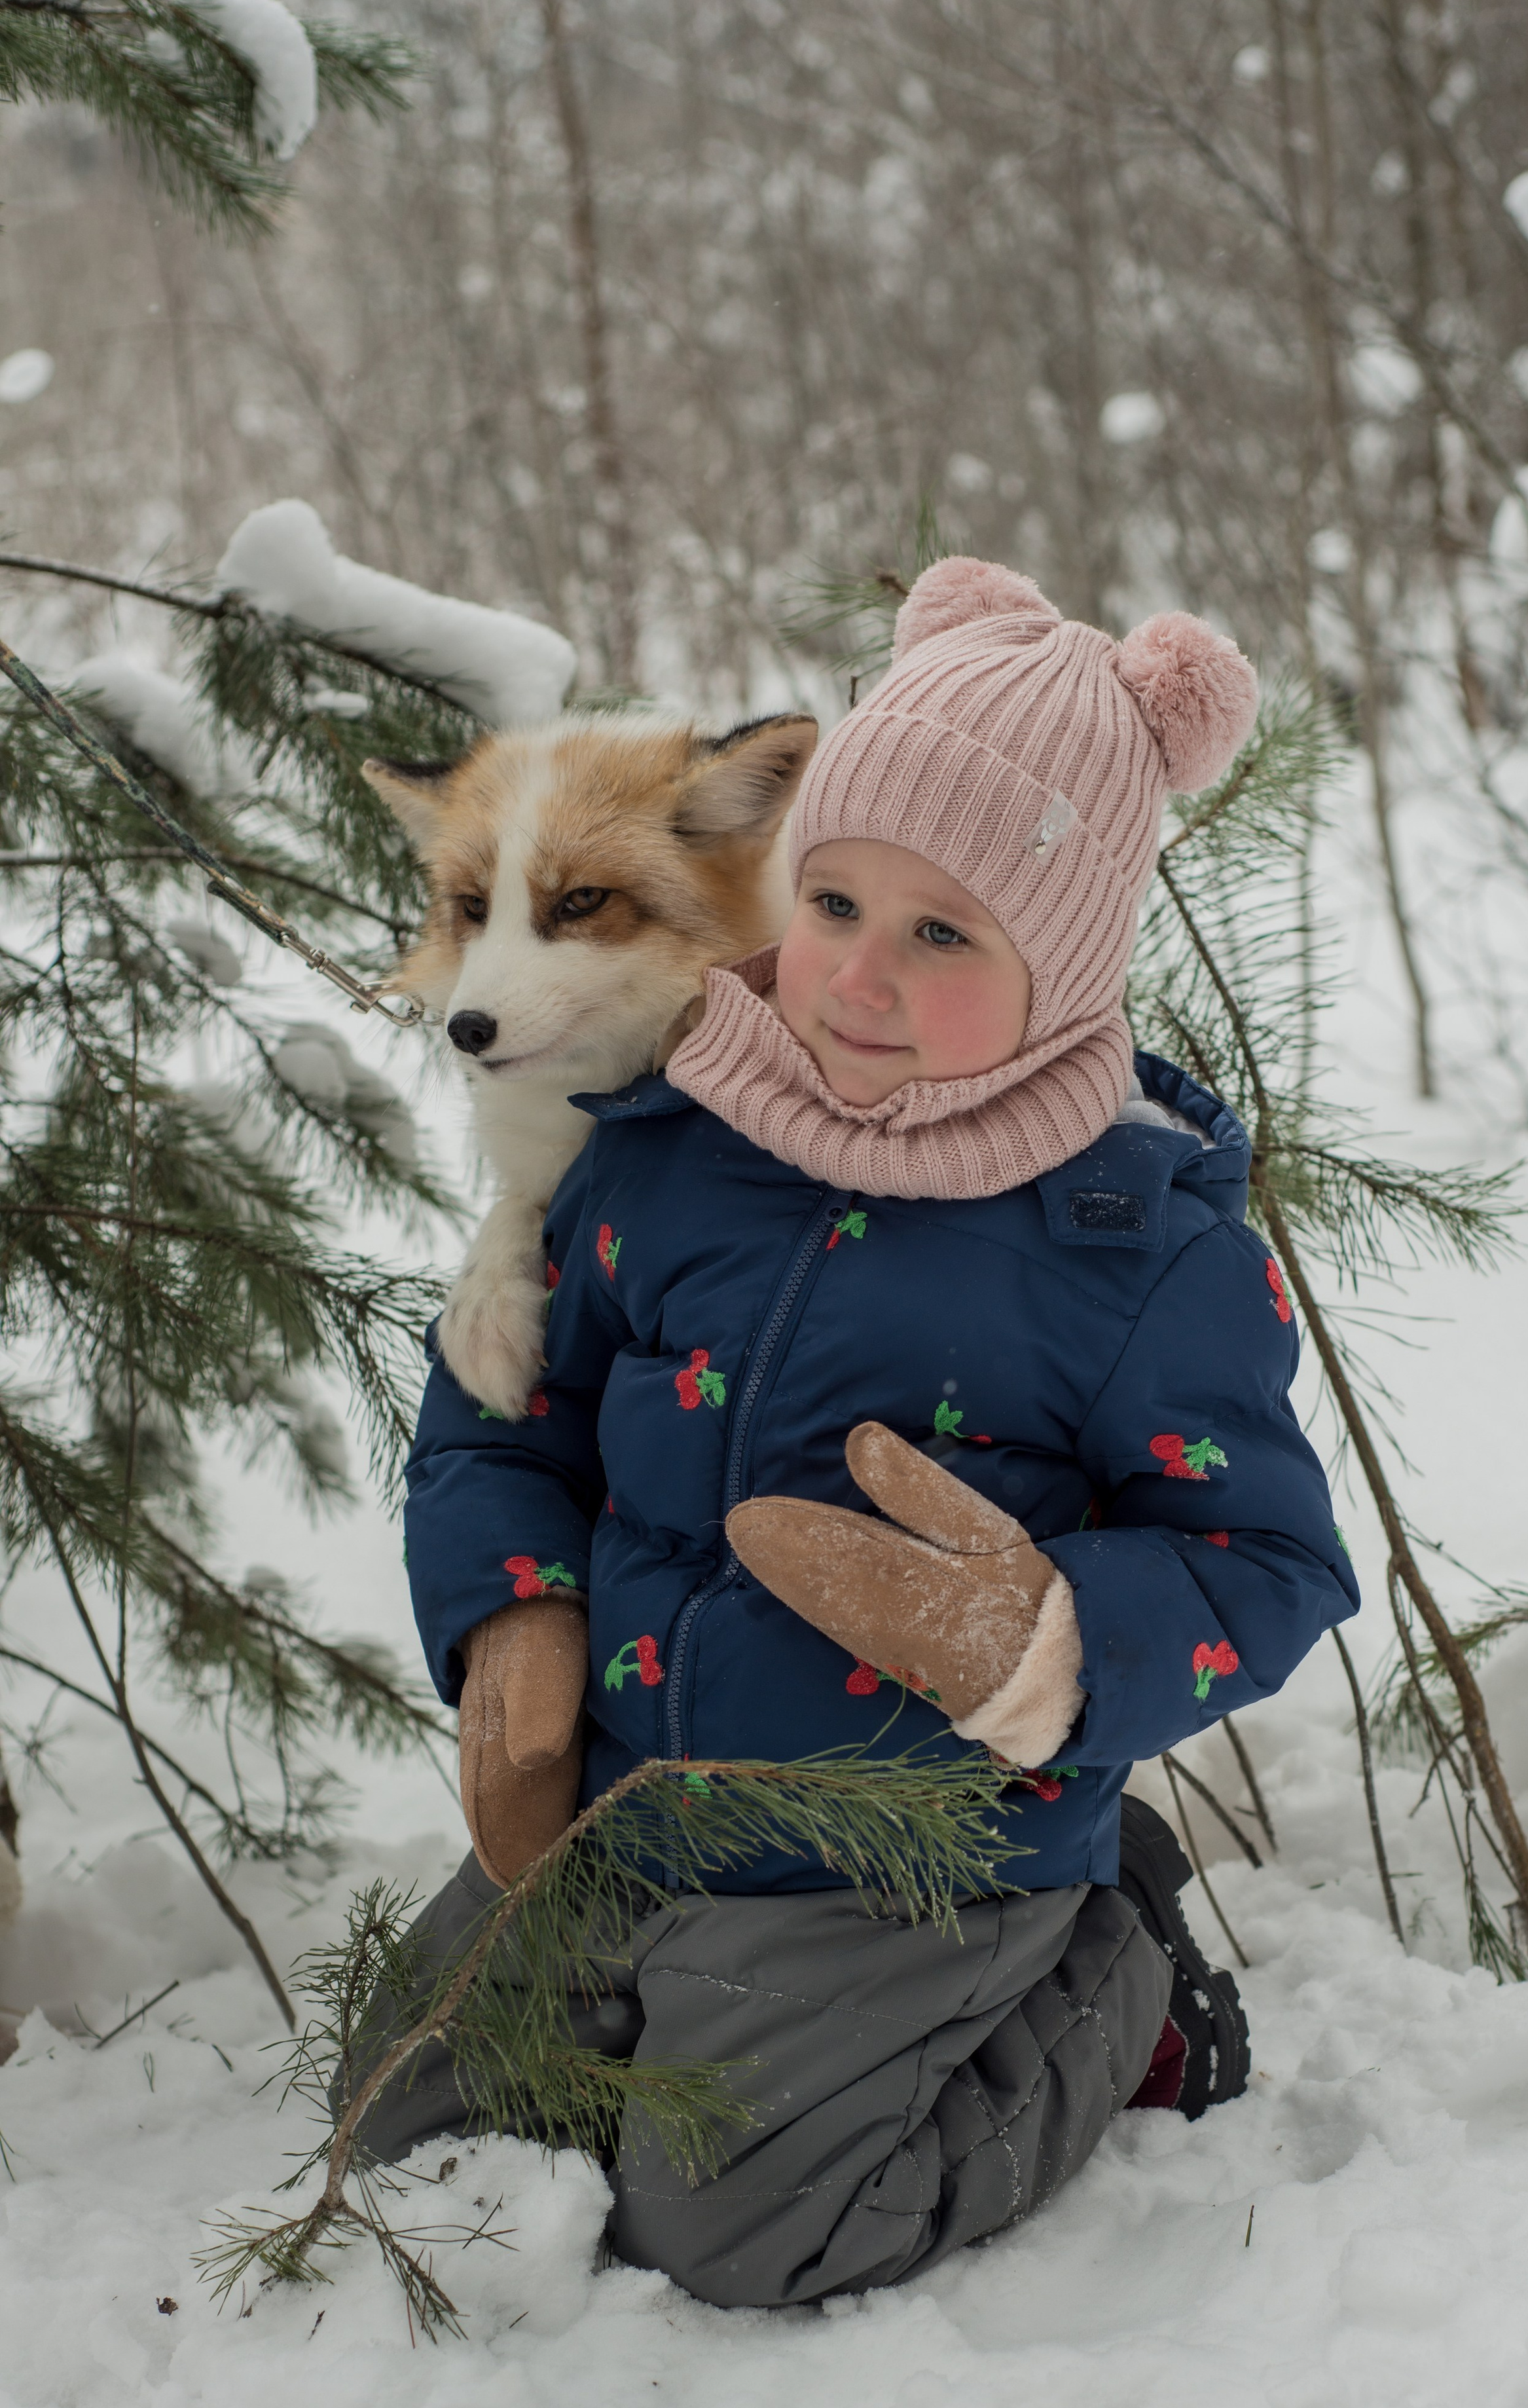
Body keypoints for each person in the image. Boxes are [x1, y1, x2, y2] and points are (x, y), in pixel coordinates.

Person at [378, 557, 1359, 2307]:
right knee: (413, 2148)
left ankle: (1114, 1977)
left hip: (916, 1856)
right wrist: (516, 1622)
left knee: (748, 2231)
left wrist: (1047, 1643)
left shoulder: (1138, 1246)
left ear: (1064, 963)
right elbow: (506, 1416)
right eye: (834, 902)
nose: (860, 976)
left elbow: (1269, 1561)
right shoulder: (671, 1142)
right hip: (632, 1801)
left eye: (944, 935)